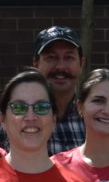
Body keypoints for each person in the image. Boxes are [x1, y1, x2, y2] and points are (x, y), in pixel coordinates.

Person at [27, 25, 91, 154]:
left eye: (68, 58)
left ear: (81, 64)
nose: (60, 67)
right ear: (36, 64)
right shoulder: (10, 119)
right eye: (51, 57)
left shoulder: (94, 119)